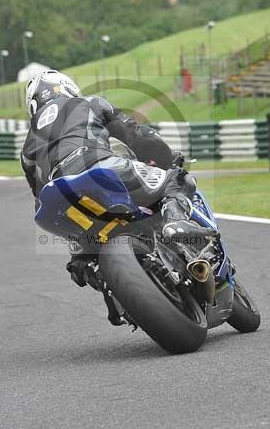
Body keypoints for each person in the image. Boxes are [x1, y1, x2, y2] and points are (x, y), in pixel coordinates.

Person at [20, 70, 216, 290]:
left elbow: (37, 194)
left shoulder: (27, 146)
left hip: (56, 195)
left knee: (81, 250)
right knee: (178, 179)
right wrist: (165, 158)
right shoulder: (89, 102)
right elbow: (138, 135)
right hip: (99, 168)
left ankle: (91, 269)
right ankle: (175, 223)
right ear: (66, 87)